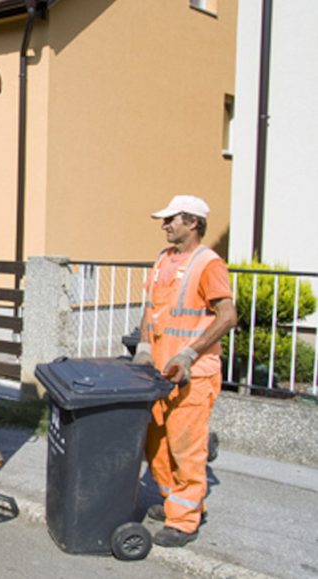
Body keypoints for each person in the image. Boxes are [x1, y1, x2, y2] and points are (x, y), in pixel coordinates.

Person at [133, 195, 236, 548]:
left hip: (194, 374)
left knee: (186, 448)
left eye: (171, 219)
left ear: (192, 222)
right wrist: (144, 349)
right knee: (156, 444)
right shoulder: (163, 260)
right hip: (161, 372)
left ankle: (185, 520)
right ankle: (175, 501)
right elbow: (152, 312)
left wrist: (190, 354)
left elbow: (227, 316)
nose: (164, 225)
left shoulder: (208, 264)